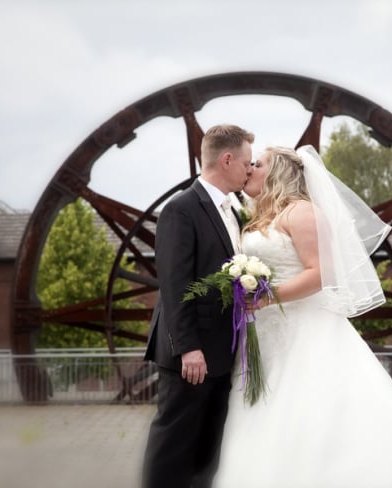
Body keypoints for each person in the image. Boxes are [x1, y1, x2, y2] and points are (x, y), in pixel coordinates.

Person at [213, 145, 392, 488]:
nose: (250, 169)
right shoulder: (260, 218)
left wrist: (268, 296)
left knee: (307, 410)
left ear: (278, 173)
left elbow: (320, 273)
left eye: (258, 164)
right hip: (266, 334)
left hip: (304, 330)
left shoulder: (302, 212)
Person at [142, 124, 255, 488]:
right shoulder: (181, 209)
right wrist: (189, 348)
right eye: (246, 163)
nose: (249, 170)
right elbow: (174, 285)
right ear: (226, 160)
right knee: (174, 443)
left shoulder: (233, 210)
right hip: (192, 354)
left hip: (223, 351)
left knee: (208, 448)